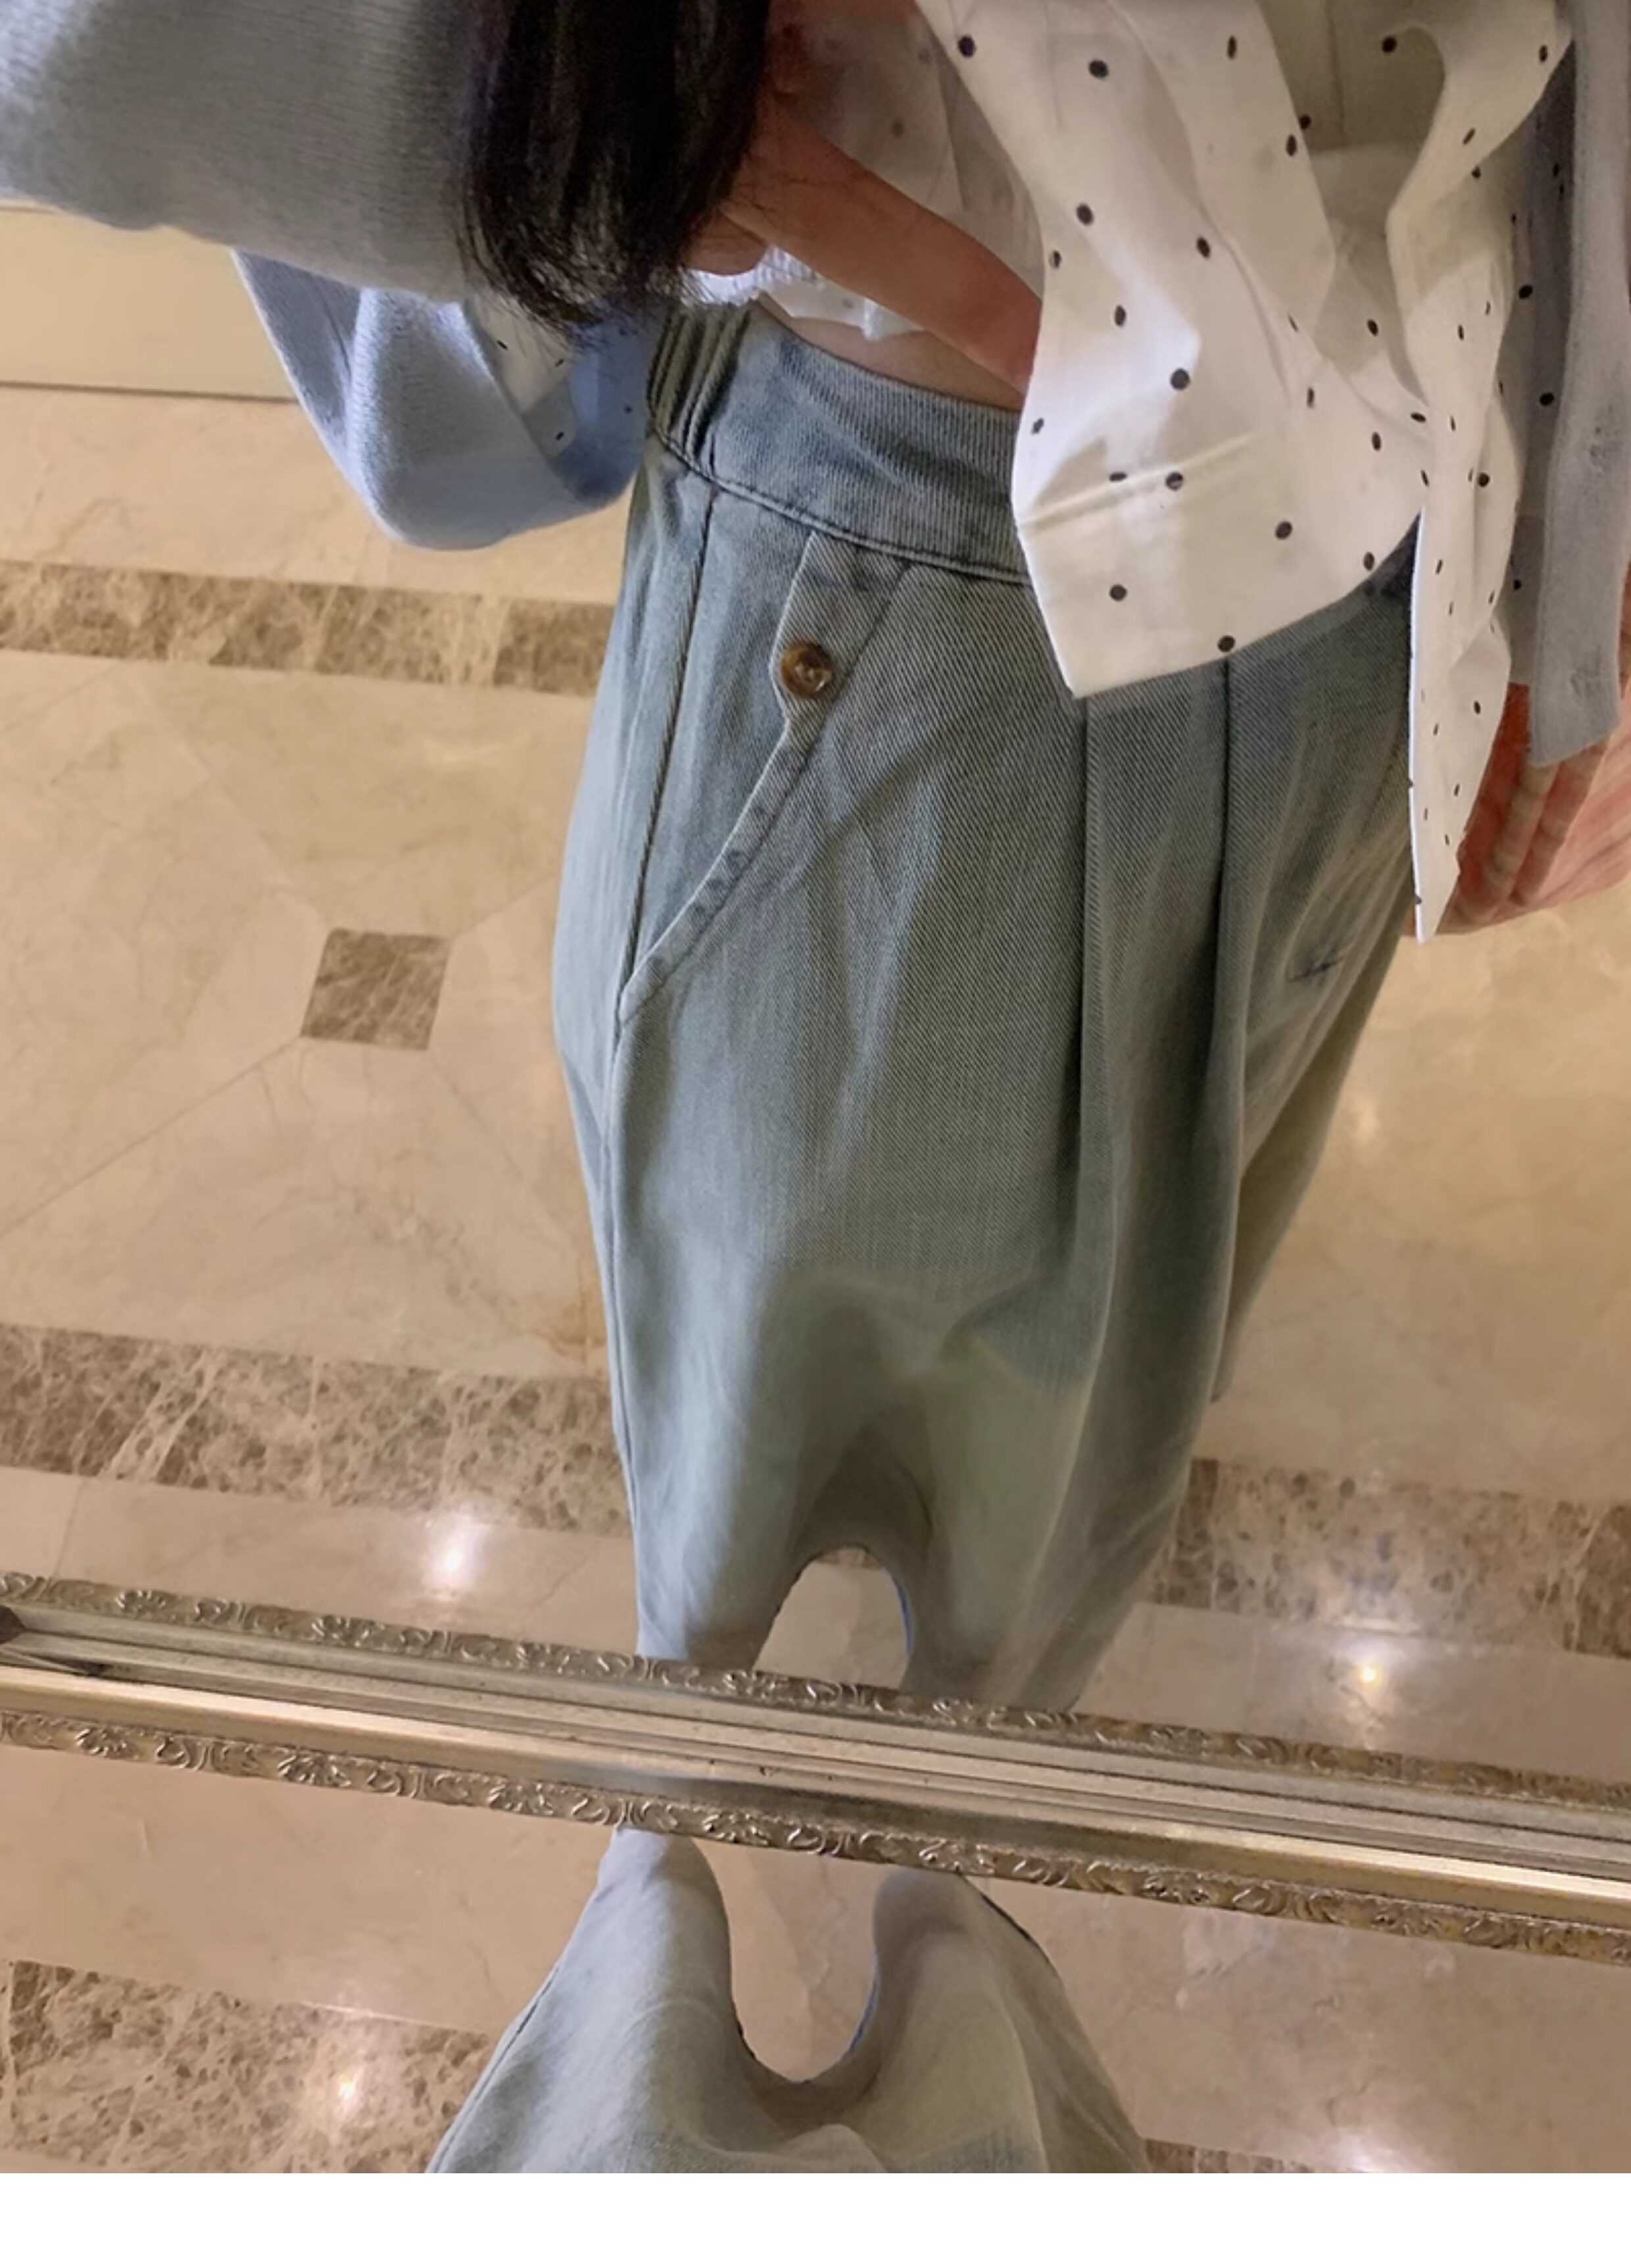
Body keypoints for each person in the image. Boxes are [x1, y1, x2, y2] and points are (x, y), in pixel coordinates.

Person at [3, 1, 1628, 1708]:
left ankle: (906, 1815)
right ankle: (756, 1820)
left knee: (1115, 1365)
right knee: (779, 1455)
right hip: (940, 523)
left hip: (1413, 499)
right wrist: (577, 101)